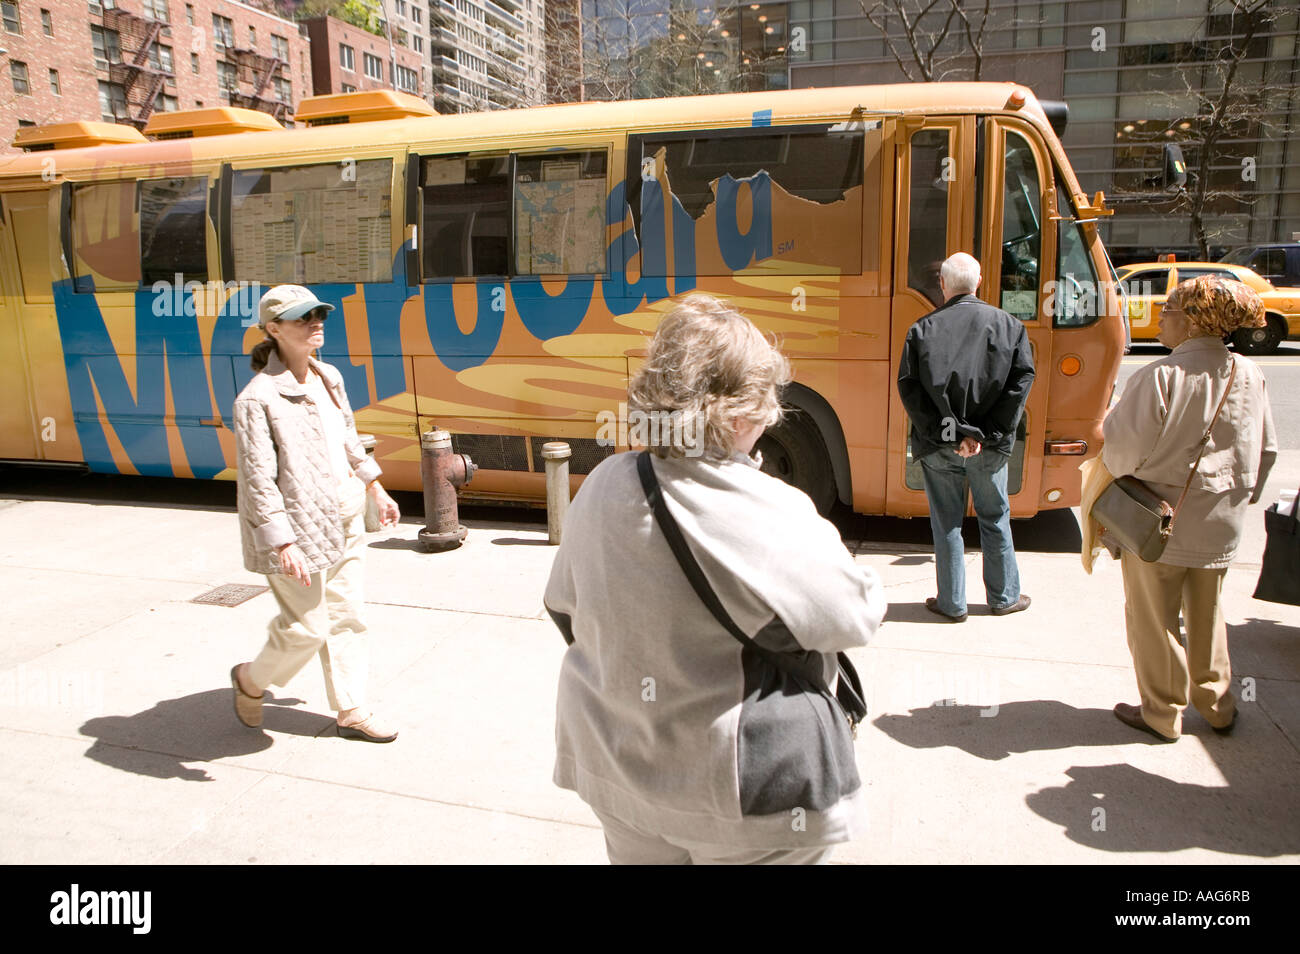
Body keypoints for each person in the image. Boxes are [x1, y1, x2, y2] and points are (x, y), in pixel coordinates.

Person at [544, 294, 886, 864]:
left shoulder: (604, 482)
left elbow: (564, 609)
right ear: (738, 411)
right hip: (741, 793)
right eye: (764, 401)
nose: (771, 416)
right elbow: (853, 615)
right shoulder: (768, 507)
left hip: (618, 768)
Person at [1102, 275, 1276, 742]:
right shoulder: (1250, 374)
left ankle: (1161, 713)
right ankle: (1217, 707)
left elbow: (1119, 455)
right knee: (1209, 611)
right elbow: (1268, 450)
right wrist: (1239, 495)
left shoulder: (1160, 376)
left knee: (1153, 619)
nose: (1160, 317)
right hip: (1222, 521)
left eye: (1170, 310)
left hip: (1159, 521)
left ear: (1195, 320)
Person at [230, 284, 402, 742]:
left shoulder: (329, 378)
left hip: (344, 513)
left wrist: (375, 487)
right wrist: (281, 541)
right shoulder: (258, 398)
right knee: (306, 629)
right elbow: (256, 479)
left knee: (348, 616)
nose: (316, 322)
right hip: (298, 529)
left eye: (318, 314)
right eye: (303, 317)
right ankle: (250, 679)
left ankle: (351, 710)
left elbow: (349, 440)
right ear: (273, 329)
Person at [897, 252, 1036, 622]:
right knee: (994, 516)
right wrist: (983, 434)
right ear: (979, 283)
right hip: (989, 447)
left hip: (939, 446)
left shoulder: (921, 330)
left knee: (947, 522)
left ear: (943, 284)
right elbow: (1020, 383)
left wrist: (950, 433)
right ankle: (1004, 597)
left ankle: (952, 603)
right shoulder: (1010, 326)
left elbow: (911, 391)